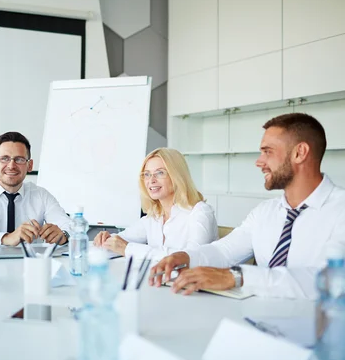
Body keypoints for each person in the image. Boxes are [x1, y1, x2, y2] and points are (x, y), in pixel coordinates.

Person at [150, 113, 345, 299]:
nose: (259, 162)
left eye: (268, 152)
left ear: (299, 153)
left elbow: (329, 278)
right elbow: (224, 251)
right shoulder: (264, 212)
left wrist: (238, 277)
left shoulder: (340, 210)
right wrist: (184, 257)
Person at [93, 148, 217, 261]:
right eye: (147, 174)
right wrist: (105, 241)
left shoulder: (201, 212)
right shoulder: (154, 216)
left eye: (160, 173)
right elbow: (119, 243)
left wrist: (127, 248)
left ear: (176, 176)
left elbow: (191, 258)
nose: (151, 180)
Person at [0, 131, 71, 247]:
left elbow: (69, 226)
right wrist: (5, 238)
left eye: (19, 159)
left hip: (30, 263)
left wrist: (63, 235)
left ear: (29, 165)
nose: (11, 166)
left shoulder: (41, 195)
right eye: (4, 158)